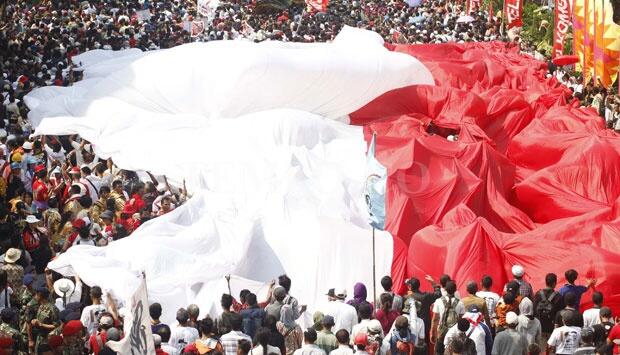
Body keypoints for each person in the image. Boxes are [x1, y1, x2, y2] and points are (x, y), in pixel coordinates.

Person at [403, 275, 441, 342]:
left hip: (411, 326)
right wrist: (433, 283)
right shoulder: (426, 297)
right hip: (424, 326)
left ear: (409, 287)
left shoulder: (406, 298)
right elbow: (438, 294)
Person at [533, 273, 564, 350]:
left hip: (540, 327)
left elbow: (534, 310)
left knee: (542, 350)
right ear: (554, 283)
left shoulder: (538, 294)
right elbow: (561, 313)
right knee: (551, 350)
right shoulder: (558, 296)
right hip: (553, 328)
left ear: (546, 281)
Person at [431, 280, 463, 355]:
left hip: (441, 332)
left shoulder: (438, 301)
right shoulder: (460, 303)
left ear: (445, 289)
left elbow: (435, 319)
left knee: (439, 351)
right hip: (455, 334)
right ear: (455, 290)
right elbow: (461, 320)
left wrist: (432, 332)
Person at [30, 286, 59, 353]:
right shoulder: (41, 306)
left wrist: (41, 325)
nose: (35, 297)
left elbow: (56, 326)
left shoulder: (52, 309)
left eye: (36, 294)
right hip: (39, 337)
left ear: (40, 295)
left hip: (48, 339)